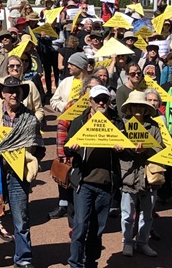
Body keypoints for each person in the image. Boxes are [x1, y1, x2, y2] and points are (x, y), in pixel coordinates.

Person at [0, 77, 43, 268]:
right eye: (9, 90)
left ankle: (24, 259)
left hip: (18, 173)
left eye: (17, 91)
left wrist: (29, 156)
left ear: (22, 94)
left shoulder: (29, 117)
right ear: (2, 93)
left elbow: (38, 143)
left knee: (21, 218)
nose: (13, 94)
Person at [65, 84, 124, 268]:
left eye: (104, 99)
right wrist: (71, 148)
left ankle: (91, 262)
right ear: (90, 102)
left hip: (106, 184)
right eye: (97, 99)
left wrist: (121, 148)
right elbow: (67, 146)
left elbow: (125, 152)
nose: (100, 102)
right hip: (84, 182)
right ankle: (75, 263)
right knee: (80, 226)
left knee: (97, 230)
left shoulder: (117, 122)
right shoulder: (79, 121)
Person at [119, 90, 163, 257]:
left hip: (149, 176)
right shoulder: (122, 125)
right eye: (134, 106)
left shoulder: (154, 126)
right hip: (128, 174)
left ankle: (143, 243)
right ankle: (127, 242)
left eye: (141, 106)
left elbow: (161, 148)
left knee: (147, 214)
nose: (138, 109)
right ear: (129, 108)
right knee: (127, 214)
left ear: (146, 109)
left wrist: (147, 149)